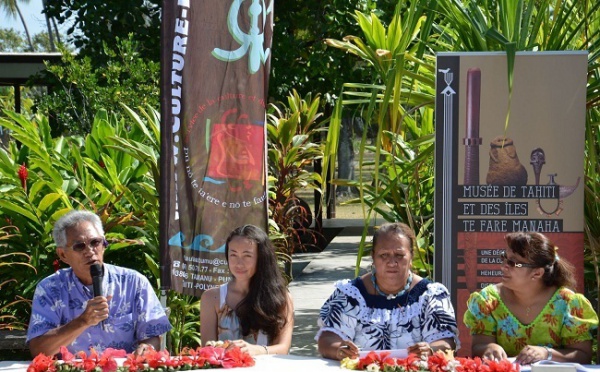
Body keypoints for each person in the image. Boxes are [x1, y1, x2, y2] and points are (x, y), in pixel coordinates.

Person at [26, 210, 172, 357]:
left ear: (104, 244)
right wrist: (82, 321)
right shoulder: (50, 289)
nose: (90, 252)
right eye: (79, 246)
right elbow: (39, 350)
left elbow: (153, 336)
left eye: (95, 242)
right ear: (63, 254)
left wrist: (147, 348)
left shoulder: (134, 282)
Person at [316, 222, 459, 360]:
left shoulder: (431, 295)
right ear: (373, 256)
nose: (392, 262)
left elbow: (445, 341)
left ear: (411, 256)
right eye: (384, 255)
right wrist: (339, 350)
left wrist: (431, 350)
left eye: (399, 255)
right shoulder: (349, 295)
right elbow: (327, 338)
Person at [464, 231, 598, 364]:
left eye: (513, 263)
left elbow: (583, 355)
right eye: (504, 257)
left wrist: (547, 354)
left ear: (537, 273)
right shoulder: (487, 300)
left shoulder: (569, 304)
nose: (504, 266)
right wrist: (489, 348)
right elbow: (478, 346)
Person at [200, 224, 294, 355]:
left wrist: (256, 350)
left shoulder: (281, 297)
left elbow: (283, 348)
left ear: (262, 258)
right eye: (233, 255)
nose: (239, 263)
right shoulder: (211, 298)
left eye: (247, 256)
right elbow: (207, 349)